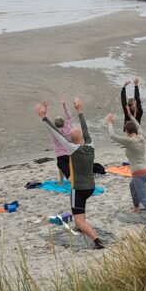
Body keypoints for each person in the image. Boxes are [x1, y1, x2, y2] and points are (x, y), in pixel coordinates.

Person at [38, 99, 104, 249]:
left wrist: (43, 117)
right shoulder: (90, 146)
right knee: (81, 214)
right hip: (90, 187)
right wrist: (80, 111)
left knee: (78, 221)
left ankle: (97, 240)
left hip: (79, 189)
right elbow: (86, 130)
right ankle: (84, 228)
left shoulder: (72, 149)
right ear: (82, 138)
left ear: (71, 140)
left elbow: (55, 133)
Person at [107, 108, 146, 222]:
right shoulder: (141, 136)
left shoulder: (129, 141)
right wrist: (131, 116)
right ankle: (136, 208)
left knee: (143, 197)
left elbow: (112, 135)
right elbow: (139, 126)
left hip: (139, 173)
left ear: (127, 131)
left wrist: (110, 123)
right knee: (132, 186)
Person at [49, 101, 74, 183]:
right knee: (70, 167)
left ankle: (61, 181)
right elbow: (69, 117)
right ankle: (72, 178)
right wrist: (65, 107)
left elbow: (47, 123)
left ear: (55, 125)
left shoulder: (55, 132)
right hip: (70, 152)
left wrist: (44, 112)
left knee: (61, 167)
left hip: (60, 154)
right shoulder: (69, 127)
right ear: (64, 123)